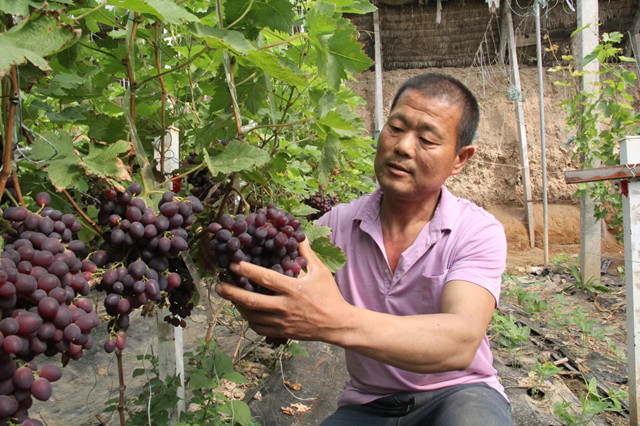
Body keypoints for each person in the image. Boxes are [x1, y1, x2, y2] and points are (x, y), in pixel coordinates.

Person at [214, 73, 513, 425]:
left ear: (460, 158)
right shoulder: (334, 227)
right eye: (396, 127)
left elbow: (459, 342)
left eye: (427, 138)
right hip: (369, 404)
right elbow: (280, 319)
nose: (403, 146)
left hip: (462, 394)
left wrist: (332, 320)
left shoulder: (476, 230)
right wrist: (231, 265)